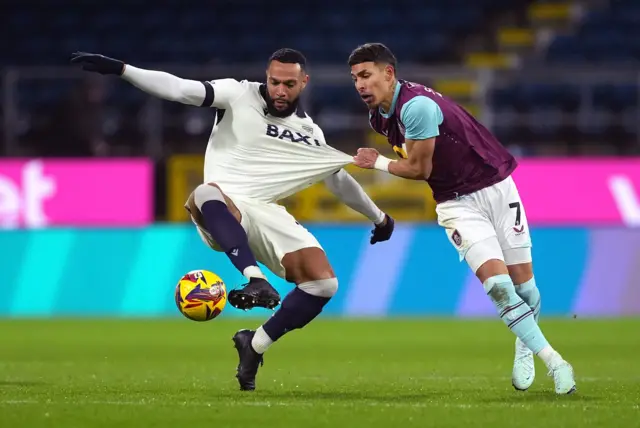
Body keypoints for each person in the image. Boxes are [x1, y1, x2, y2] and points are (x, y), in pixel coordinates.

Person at [71, 48, 395, 391]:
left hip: (265, 210)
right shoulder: (237, 93)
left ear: (304, 82)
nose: (280, 91)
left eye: (289, 84)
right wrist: (123, 69)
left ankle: (254, 345)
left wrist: (379, 217)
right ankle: (253, 277)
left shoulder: (308, 132)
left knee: (323, 284)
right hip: (222, 206)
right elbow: (180, 89)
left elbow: (337, 179)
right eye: (274, 82)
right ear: (266, 77)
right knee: (204, 192)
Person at [348, 43, 576, 395]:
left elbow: (419, 167)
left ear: (388, 73)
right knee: (499, 288)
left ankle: (524, 343)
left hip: (497, 187)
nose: (360, 85)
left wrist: (375, 162)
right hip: (456, 204)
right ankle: (555, 361)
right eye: (355, 79)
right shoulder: (379, 117)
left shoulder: (417, 107)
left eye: (366, 75)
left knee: (525, 287)